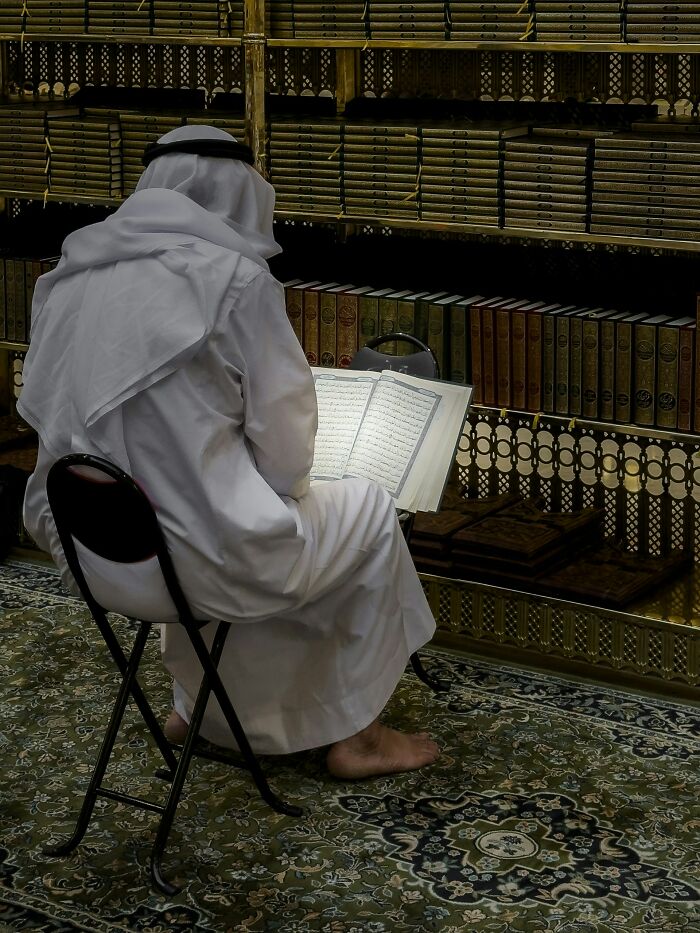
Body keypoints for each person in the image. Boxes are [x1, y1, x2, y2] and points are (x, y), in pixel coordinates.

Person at [17, 124, 439, 779]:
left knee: (212, 507)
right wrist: (282, 485)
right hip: (198, 563)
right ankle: (360, 735)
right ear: (240, 192)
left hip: (92, 551)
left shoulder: (74, 271)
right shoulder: (233, 279)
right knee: (364, 511)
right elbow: (288, 447)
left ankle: (198, 708)